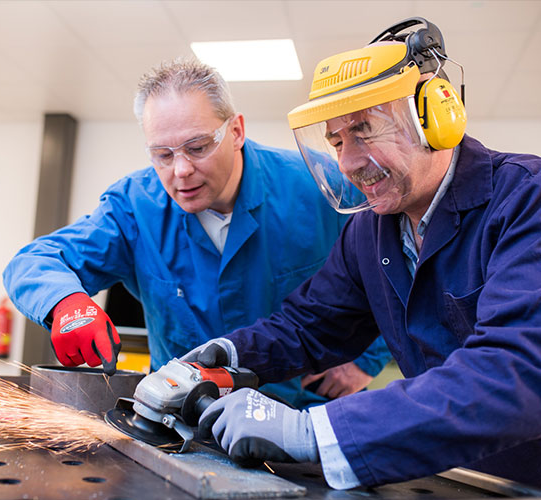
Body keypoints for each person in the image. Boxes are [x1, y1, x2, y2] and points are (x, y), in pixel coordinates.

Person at [186, 17, 541, 489]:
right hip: (452, 477)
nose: (349, 163)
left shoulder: (525, 201)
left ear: (437, 116)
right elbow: (309, 325)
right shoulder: (370, 231)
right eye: (336, 141)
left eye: (365, 131)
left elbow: (513, 371)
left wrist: (316, 431)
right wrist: (220, 359)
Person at [2, 58, 391, 409]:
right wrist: (65, 302)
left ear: (236, 130)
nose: (180, 171)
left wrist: (367, 359)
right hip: (181, 417)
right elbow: (34, 261)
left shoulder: (318, 184)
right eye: (163, 155)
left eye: (198, 147)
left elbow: (393, 265)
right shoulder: (136, 206)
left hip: (300, 412)